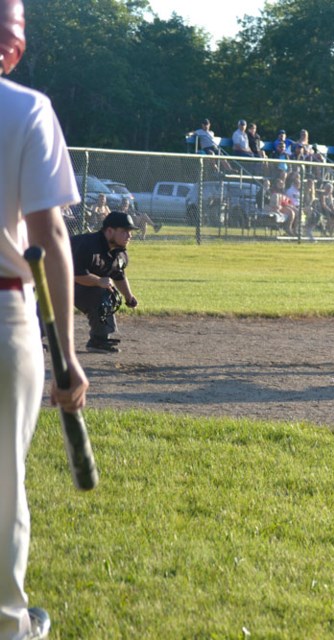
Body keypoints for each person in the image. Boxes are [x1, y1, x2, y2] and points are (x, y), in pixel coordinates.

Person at [2, 4, 90, 636]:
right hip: (6, 309)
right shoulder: (25, 107)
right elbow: (51, 233)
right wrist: (67, 351)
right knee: (5, 483)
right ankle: (9, 624)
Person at [70, 211, 139, 353]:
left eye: (130, 231)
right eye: (125, 231)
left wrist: (129, 297)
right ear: (109, 231)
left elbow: (118, 275)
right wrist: (98, 280)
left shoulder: (119, 253)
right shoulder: (89, 246)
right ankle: (34, 337)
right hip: (50, 273)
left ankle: (98, 340)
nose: (129, 236)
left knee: (108, 294)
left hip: (77, 283)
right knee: (50, 303)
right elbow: (74, 274)